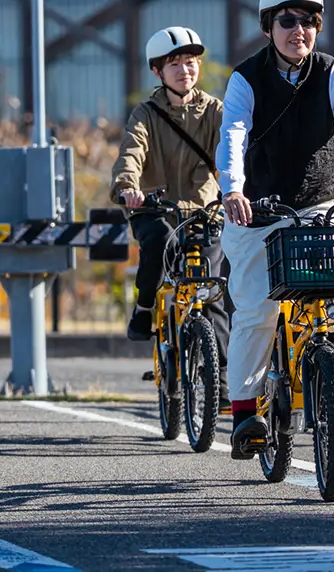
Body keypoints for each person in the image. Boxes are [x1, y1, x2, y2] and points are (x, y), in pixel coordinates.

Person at [215, 0, 334, 459]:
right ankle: (245, 413)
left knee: (331, 293)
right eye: (288, 20)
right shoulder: (245, 78)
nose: (300, 29)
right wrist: (232, 189)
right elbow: (233, 134)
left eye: (309, 20)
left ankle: (328, 350)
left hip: (320, 199)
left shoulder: (333, 73)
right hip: (258, 208)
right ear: (268, 28)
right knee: (257, 309)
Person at [110, 28, 229, 399]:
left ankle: (222, 377)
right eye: (174, 64)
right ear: (158, 72)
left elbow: (230, 154)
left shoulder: (215, 111)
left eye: (190, 62)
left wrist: (241, 188)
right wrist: (128, 186)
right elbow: (132, 152)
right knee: (160, 241)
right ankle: (145, 306)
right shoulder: (146, 114)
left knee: (212, 288)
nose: (184, 70)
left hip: (203, 210)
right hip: (153, 205)